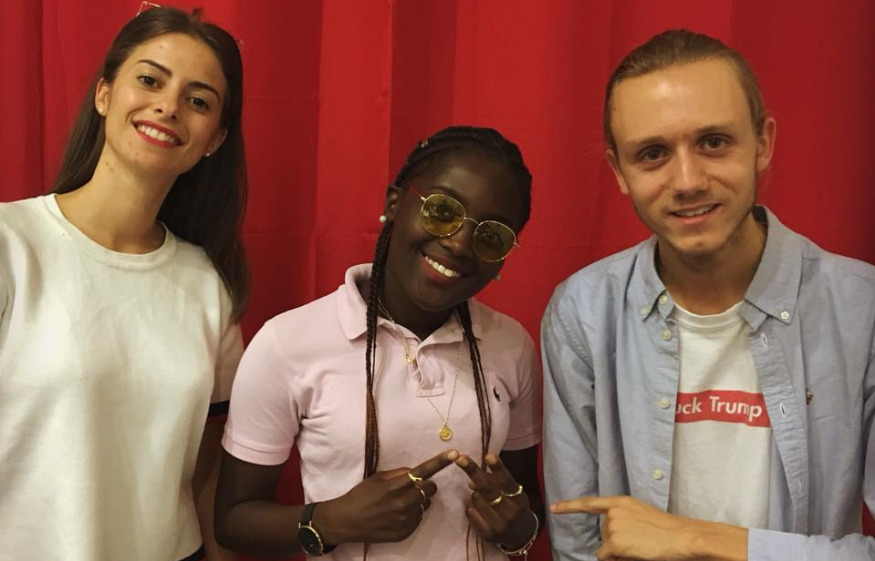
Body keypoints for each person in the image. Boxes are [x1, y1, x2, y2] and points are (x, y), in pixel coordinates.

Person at [542, 29, 875, 561]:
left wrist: (700, 539)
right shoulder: (582, 312)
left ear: (763, 143)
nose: (688, 181)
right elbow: (579, 543)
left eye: (714, 142)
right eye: (652, 154)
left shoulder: (862, 310)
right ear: (619, 172)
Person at [215, 125, 543, 560]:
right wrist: (329, 521)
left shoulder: (512, 345)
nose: (460, 243)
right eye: (442, 210)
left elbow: (525, 503)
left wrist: (519, 529)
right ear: (394, 203)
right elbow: (232, 520)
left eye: (492, 236)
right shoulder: (287, 342)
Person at [0, 6, 248, 561]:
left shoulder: (208, 286)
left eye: (198, 100)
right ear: (104, 94)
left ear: (214, 138)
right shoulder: (11, 244)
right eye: (150, 80)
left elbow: (206, 477)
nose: (169, 106)